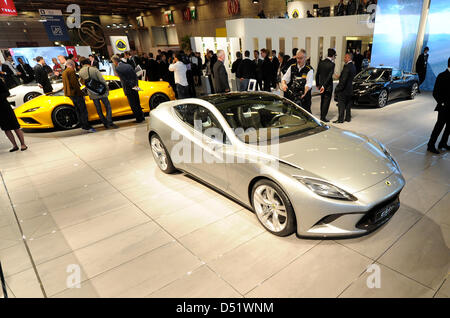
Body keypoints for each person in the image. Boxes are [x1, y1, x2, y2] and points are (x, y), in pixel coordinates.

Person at [79, 58, 118, 129]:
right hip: (101, 91)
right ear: (89, 63)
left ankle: (104, 123)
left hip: (92, 93)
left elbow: (82, 82)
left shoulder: (80, 72)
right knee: (108, 106)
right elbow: (102, 80)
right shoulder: (94, 69)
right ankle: (109, 122)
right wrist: (106, 88)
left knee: (98, 109)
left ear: (82, 64)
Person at [62, 59, 95, 132]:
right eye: (74, 65)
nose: (75, 67)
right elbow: (75, 84)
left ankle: (82, 125)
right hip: (76, 94)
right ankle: (86, 126)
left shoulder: (64, 72)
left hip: (70, 94)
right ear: (72, 65)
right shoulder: (71, 71)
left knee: (78, 110)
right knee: (83, 110)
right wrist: (81, 93)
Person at [112, 55, 145, 123]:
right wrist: (135, 85)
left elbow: (124, 80)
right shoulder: (128, 65)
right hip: (135, 86)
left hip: (128, 88)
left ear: (115, 61)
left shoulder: (118, 68)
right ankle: (142, 117)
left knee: (133, 104)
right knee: (137, 102)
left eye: (113, 62)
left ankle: (138, 119)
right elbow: (135, 76)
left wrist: (130, 86)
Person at [426, 58, 450, 154]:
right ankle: (430, 145)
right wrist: (442, 103)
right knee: (439, 127)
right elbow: (435, 93)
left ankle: (443, 143)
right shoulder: (441, 76)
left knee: (449, 128)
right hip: (444, 108)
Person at [0, 78, 27, 152]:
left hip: (5, 107)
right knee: (6, 128)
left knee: (15, 126)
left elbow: (7, 93)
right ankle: (14, 145)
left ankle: (23, 144)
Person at [334, 52, 356, 123]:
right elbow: (348, 77)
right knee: (348, 104)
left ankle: (340, 119)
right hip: (350, 89)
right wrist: (340, 77)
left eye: (345, 57)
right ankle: (348, 118)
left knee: (341, 104)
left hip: (344, 90)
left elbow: (344, 80)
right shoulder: (353, 66)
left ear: (349, 58)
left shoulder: (347, 66)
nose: (344, 58)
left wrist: (338, 89)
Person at [316, 48, 336, 122]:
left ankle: (322, 115)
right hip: (328, 86)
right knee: (326, 102)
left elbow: (317, 74)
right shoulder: (332, 64)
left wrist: (318, 84)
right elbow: (329, 76)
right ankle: (323, 117)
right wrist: (324, 86)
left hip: (321, 85)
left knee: (322, 100)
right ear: (333, 56)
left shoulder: (321, 62)